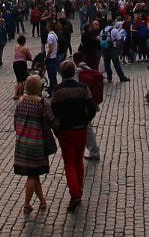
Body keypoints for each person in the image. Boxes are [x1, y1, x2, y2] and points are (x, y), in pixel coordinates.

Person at [49, 63, 96, 212]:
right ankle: (79, 190)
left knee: (69, 163)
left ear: (61, 73)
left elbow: (53, 112)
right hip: (80, 129)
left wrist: (57, 126)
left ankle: (74, 192)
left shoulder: (57, 91)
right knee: (78, 160)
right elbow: (92, 107)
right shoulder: (83, 88)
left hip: (65, 131)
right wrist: (85, 120)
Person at [13, 77, 56, 216]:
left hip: (21, 141)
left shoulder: (21, 102)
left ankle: (42, 201)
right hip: (36, 143)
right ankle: (26, 204)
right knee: (32, 174)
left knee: (34, 173)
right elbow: (52, 121)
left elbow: (15, 121)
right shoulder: (42, 103)